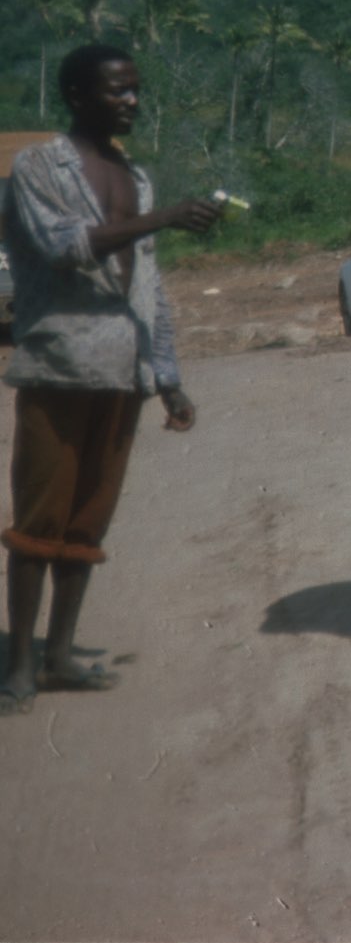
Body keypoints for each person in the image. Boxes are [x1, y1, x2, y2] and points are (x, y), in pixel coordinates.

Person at [2, 45, 222, 716]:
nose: (130, 100)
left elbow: (148, 286)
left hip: (124, 373)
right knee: (37, 524)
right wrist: (164, 218)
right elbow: (65, 246)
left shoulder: (137, 177)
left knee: (87, 522)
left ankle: (61, 653)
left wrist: (168, 376)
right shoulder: (37, 167)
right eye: (116, 91)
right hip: (61, 363)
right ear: (76, 94)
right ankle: (19, 666)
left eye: (134, 89)